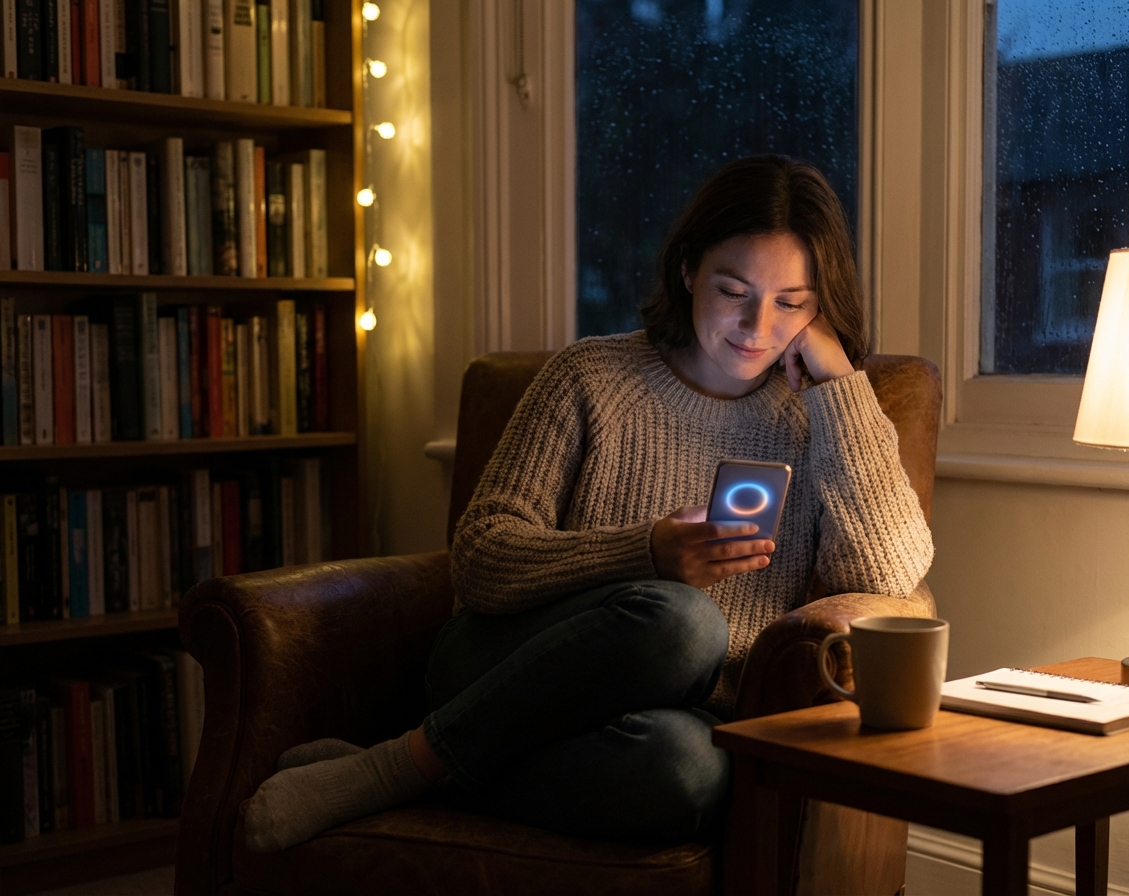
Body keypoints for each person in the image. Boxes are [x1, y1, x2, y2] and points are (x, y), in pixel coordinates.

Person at [242, 154, 934, 852]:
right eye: (733, 290)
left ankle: (425, 766)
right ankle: (398, 767)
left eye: (791, 302)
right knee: (685, 622)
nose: (756, 326)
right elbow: (479, 559)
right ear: (688, 269)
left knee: (689, 772)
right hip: (502, 665)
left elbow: (888, 575)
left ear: (821, 308)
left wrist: (842, 388)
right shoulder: (591, 377)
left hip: (669, 718)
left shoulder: (824, 418)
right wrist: (645, 554)